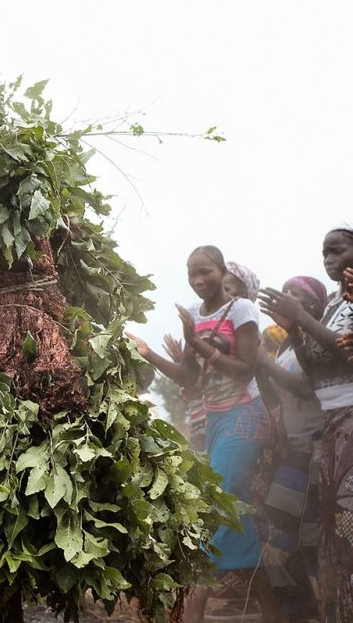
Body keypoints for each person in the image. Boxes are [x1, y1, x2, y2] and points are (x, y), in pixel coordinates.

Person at [133, 246, 283, 623]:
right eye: (191, 274)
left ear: (221, 270)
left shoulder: (242, 310)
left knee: (218, 508)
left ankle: (192, 612)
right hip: (216, 423)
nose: (198, 281)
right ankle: (274, 612)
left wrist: (196, 342)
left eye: (206, 272)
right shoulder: (195, 316)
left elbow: (246, 369)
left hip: (245, 418)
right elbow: (187, 379)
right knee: (235, 514)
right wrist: (148, 352)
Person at [260, 227, 353, 623]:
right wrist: (296, 328)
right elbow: (315, 368)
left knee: (347, 521)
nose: (329, 258)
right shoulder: (334, 304)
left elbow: (342, 348)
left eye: (338, 250)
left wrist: (299, 318)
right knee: (334, 530)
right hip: (333, 425)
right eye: (324, 252)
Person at [255, 276, 328, 621]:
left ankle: (320, 610)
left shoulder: (315, 341)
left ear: (313, 306)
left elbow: (303, 387)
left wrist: (260, 359)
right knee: (278, 539)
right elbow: (275, 397)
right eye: (284, 291)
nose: (286, 297)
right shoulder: (285, 347)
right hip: (292, 453)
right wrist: (258, 365)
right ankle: (299, 613)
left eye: (295, 293)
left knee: (311, 540)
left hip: (315, 451)